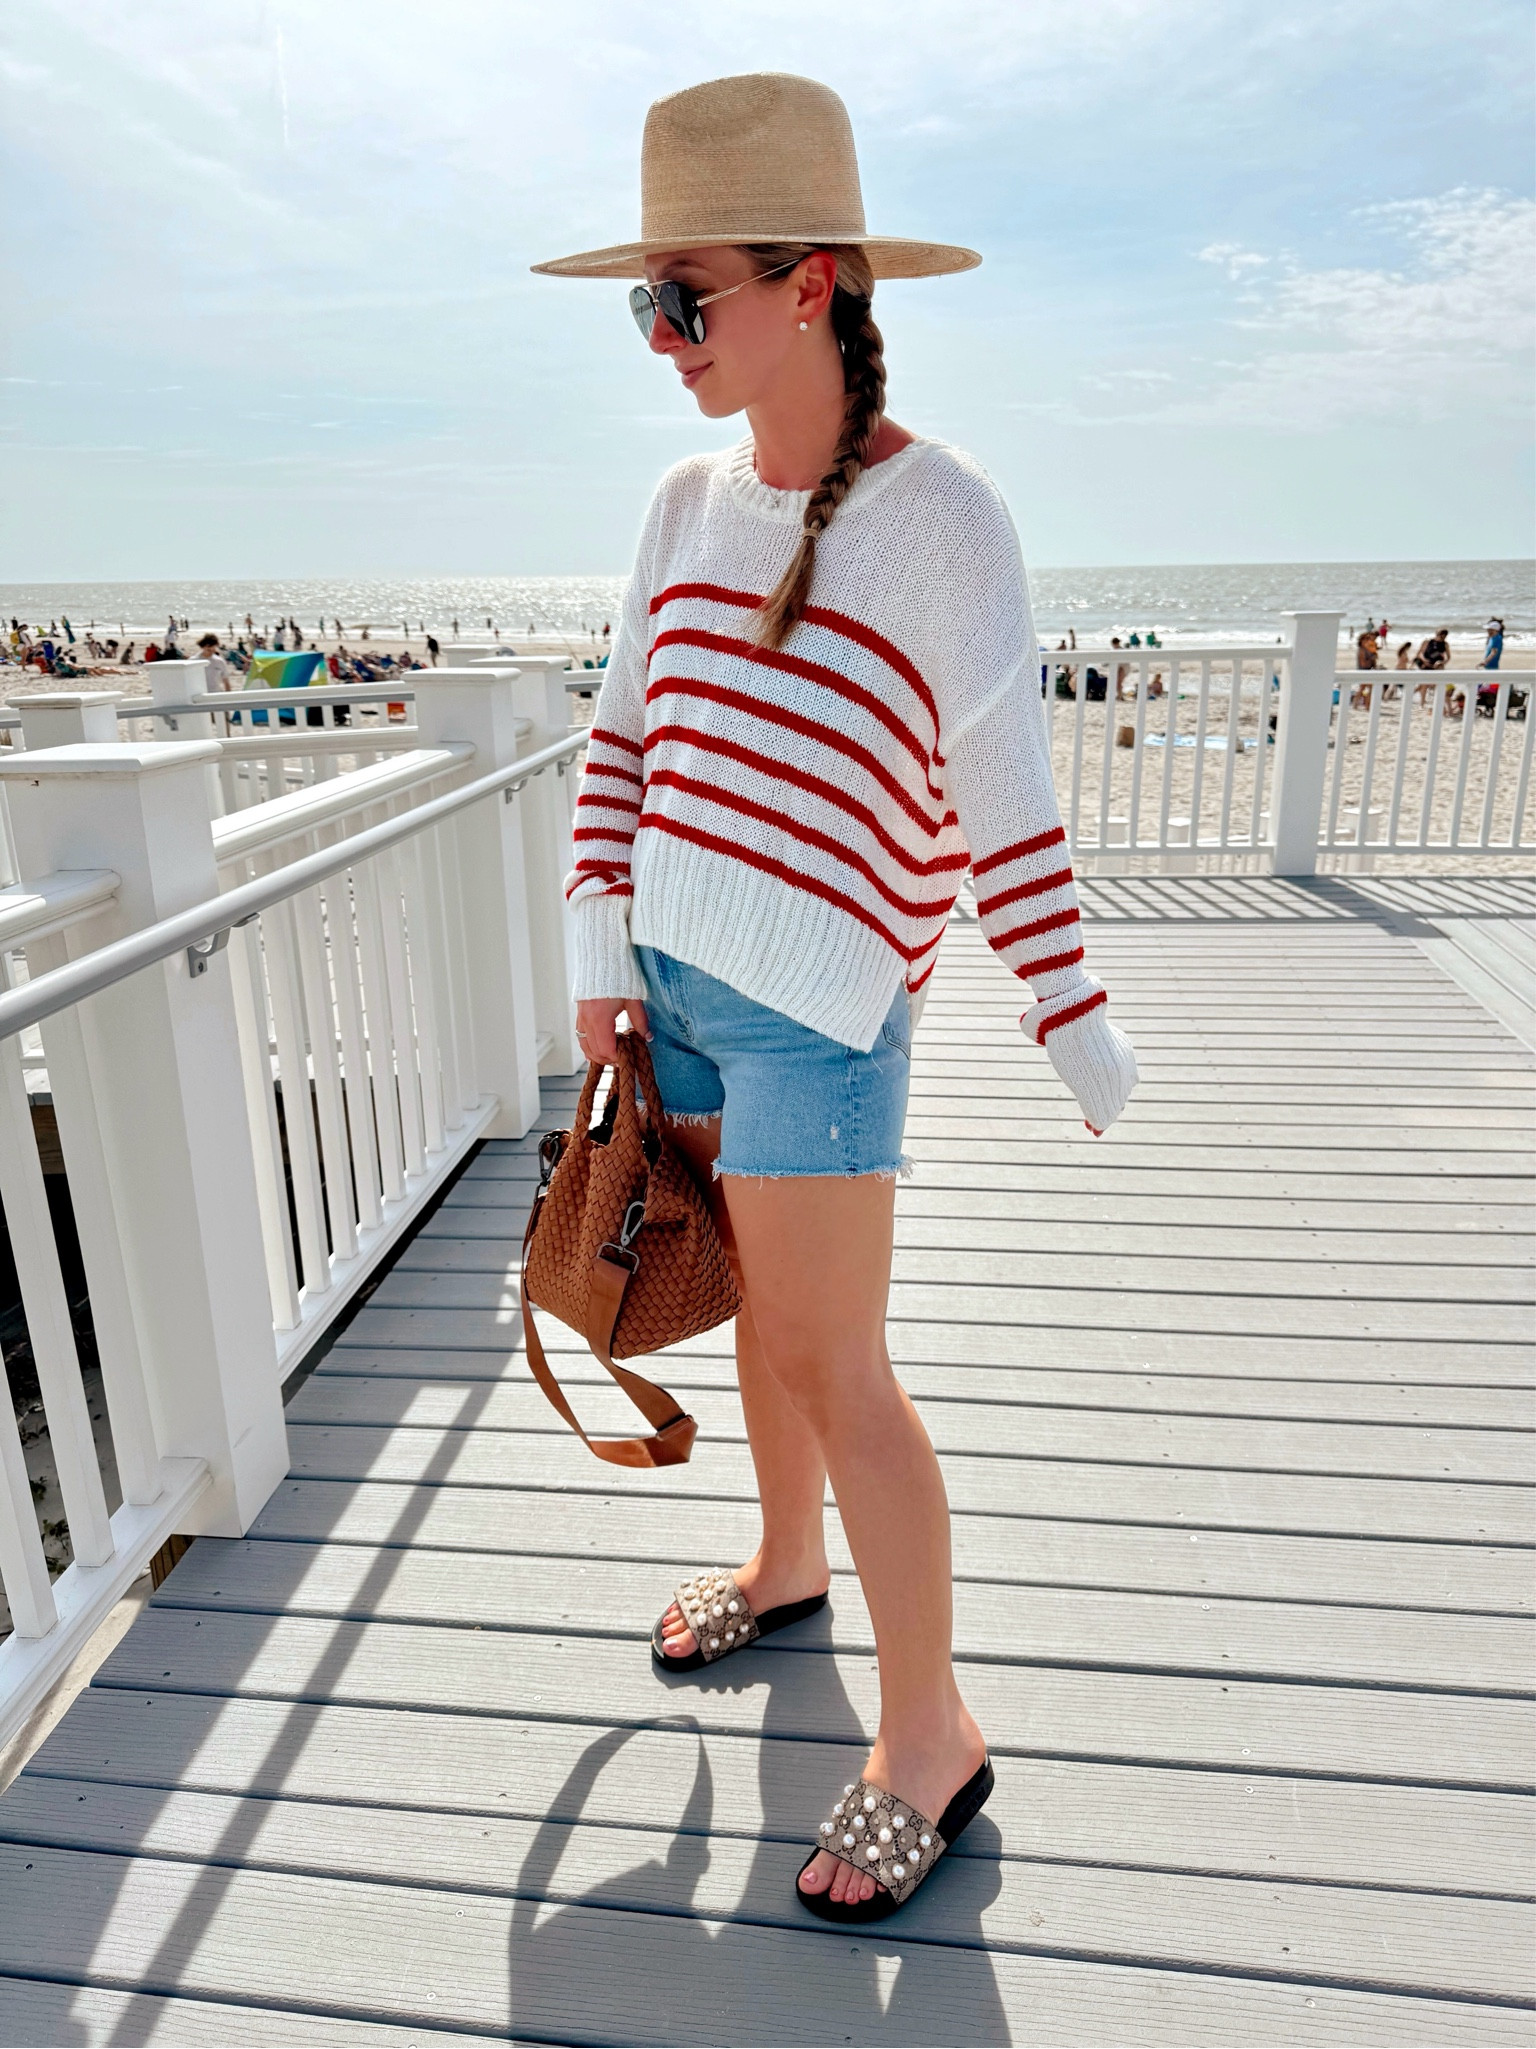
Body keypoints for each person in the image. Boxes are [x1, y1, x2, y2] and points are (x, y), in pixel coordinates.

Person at [534, 72, 1137, 1924]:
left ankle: (929, 1734)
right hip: (686, 993)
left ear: (814, 285)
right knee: (767, 1332)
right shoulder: (680, 503)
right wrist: (600, 951)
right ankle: (787, 1561)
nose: (662, 341)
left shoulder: (946, 521)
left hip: (828, 1012)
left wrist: (1067, 1007)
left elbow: (1002, 780)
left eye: (685, 298)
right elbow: (623, 742)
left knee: (832, 1357)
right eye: (646, 304)